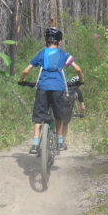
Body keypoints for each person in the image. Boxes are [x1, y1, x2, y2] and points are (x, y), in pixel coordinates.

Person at [19, 26, 84, 154]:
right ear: (59, 41)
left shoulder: (42, 53)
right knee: (59, 115)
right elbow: (78, 70)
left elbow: (25, 70)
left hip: (43, 88)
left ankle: (35, 144)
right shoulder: (64, 54)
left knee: (38, 117)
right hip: (58, 88)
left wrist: (21, 80)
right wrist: (80, 80)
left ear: (46, 40)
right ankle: (60, 141)